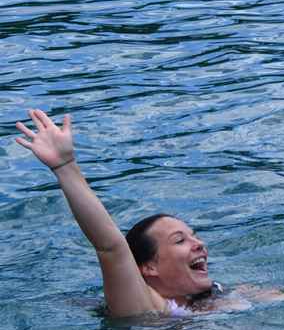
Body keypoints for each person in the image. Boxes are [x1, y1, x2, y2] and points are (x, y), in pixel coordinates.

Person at [15, 109, 220, 318]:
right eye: (179, 241)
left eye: (194, 236)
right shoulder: (143, 307)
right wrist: (64, 166)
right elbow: (111, 247)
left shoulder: (216, 298)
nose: (199, 244)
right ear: (149, 267)